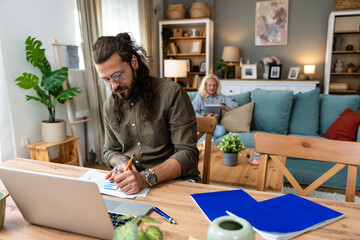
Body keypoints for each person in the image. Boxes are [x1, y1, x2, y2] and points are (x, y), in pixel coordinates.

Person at [92, 33, 200, 194]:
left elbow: (187, 153)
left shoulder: (171, 93)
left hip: (176, 182)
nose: (113, 86)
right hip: (133, 187)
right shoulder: (109, 106)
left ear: (134, 62)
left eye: (118, 75)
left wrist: (144, 178)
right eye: (106, 80)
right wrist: (121, 162)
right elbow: (109, 151)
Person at [192, 74, 238, 140]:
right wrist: (205, 118)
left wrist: (224, 107)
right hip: (203, 124)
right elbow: (192, 111)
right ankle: (207, 138)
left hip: (215, 126)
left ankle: (209, 136)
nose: (212, 88)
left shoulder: (221, 97)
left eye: (214, 85)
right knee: (202, 132)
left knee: (222, 130)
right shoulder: (200, 97)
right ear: (205, 86)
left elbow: (235, 105)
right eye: (210, 85)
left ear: (217, 86)